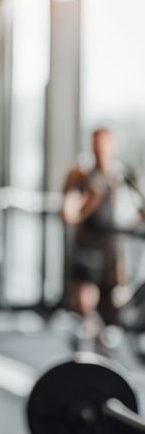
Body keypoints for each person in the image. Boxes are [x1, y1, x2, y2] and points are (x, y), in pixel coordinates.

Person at [61, 128, 142, 345]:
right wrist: (92, 199)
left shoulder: (121, 176)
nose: (101, 150)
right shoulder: (81, 177)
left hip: (113, 253)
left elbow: (137, 211)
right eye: (97, 144)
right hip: (88, 250)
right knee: (86, 312)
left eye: (105, 144)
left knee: (112, 320)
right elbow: (69, 215)